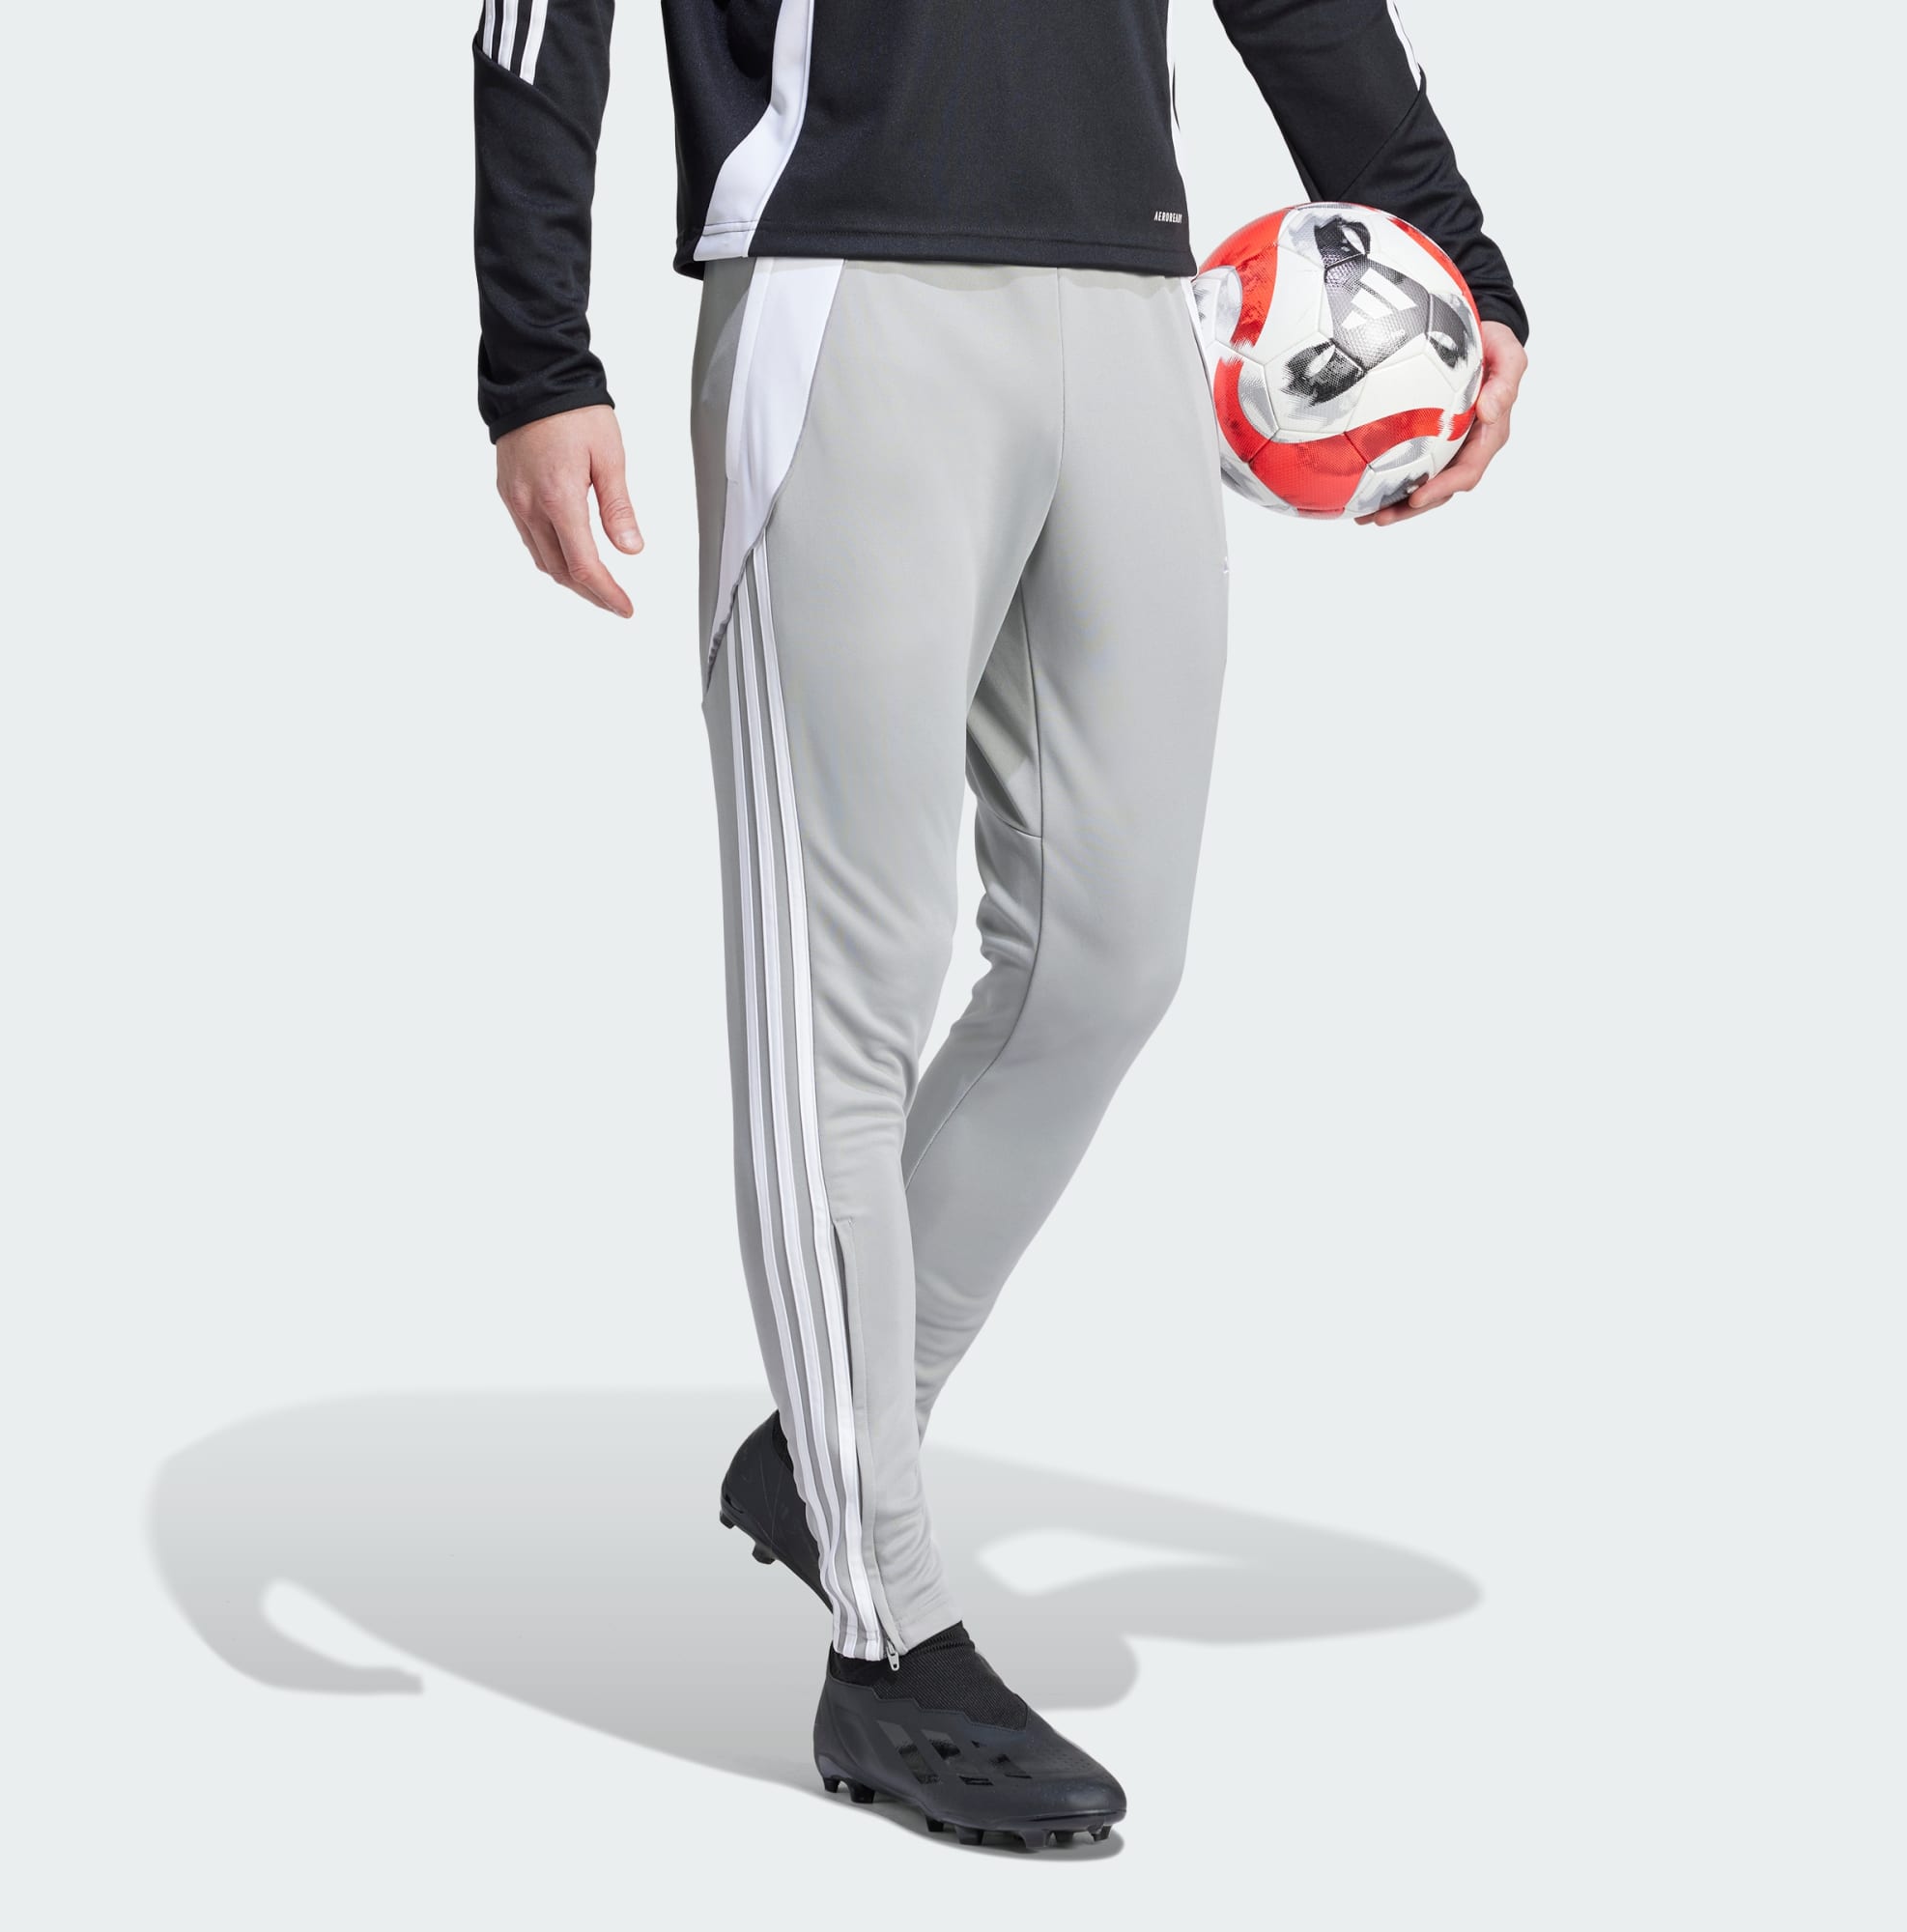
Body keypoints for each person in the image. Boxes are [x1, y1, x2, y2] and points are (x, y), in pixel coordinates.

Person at [472, 0, 1526, 1850]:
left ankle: (831, 1445)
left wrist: (1452, 245)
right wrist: (535, 356)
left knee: (1109, 955)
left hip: (1133, 296)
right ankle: (885, 1634)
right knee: (840, 996)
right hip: (842, 280)